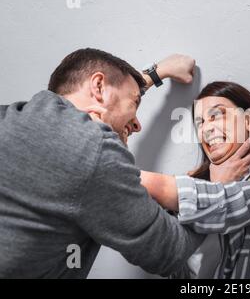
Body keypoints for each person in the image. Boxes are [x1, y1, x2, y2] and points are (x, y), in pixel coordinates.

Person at [0, 48, 205, 278]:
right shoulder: (94, 150)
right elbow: (168, 251)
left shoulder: (11, 117)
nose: (138, 125)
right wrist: (218, 184)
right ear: (98, 86)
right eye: (135, 103)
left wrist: (155, 74)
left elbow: (102, 92)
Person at [141, 81, 250, 279]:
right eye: (200, 122)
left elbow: (228, 205)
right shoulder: (191, 186)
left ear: (249, 120)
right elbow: (164, 258)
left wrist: (215, 185)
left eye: (216, 115)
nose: (206, 129)